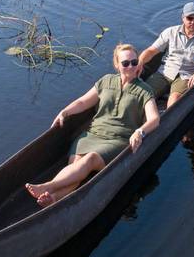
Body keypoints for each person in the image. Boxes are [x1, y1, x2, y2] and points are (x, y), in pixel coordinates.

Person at [25, 44, 159, 207]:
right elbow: (83, 102)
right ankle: (54, 198)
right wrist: (65, 112)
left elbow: (154, 119)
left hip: (117, 140)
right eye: (125, 63)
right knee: (77, 167)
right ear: (117, 64)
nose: (130, 66)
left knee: (90, 159)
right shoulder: (106, 81)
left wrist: (140, 131)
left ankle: (48, 186)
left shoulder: (144, 90)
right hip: (93, 134)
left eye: (134, 61)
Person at [139, 2, 194, 108]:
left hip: (187, 75)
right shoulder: (170, 32)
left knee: (174, 101)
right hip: (165, 72)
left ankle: (166, 121)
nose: (193, 22)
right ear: (183, 18)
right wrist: (139, 62)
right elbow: (151, 51)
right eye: (189, 18)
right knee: (143, 95)